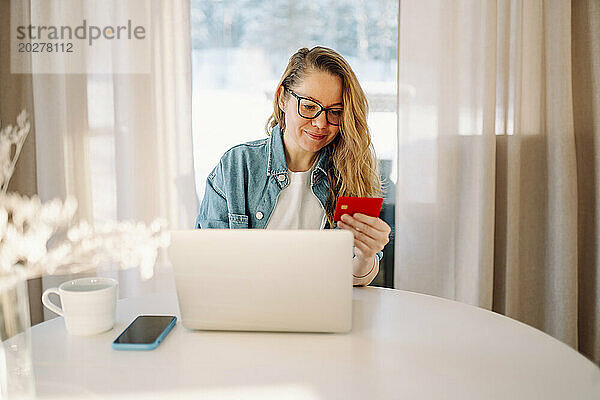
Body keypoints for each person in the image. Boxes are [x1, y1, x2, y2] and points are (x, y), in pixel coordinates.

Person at [196, 46, 391, 286]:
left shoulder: (350, 172)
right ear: (282, 98)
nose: (320, 123)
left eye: (335, 112)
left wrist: (366, 254)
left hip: (319, 311)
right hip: (246, 309)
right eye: (309, 106)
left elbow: (355, 281)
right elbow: (207, 264)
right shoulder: (237, 166)